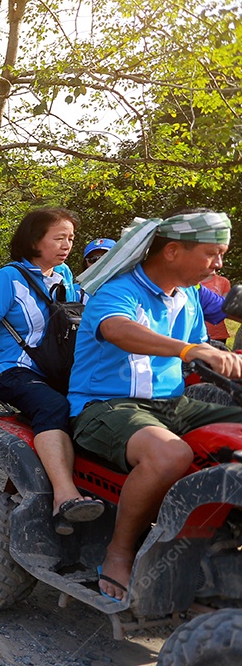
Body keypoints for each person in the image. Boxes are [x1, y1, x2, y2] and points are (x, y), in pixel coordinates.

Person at [69, 210, 242, 601]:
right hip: (105, 406)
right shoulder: (118, 289)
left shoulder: (190, 295)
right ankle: (119, 552)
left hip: (171, 404)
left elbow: (203, 352)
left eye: (222, 254)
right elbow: (118, 329)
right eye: (213, 253)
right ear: (173, 251)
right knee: (169, 456)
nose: (219, 264)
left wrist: (221, 358)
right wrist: (187, 349)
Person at [0, 208, 104, 535]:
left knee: (98, 405)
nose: (67, 245)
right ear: (34, 240)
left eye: (71, 238)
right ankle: (63, 496)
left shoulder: (65, 276)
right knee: (53, 407)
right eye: (59, 238)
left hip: (53, 370)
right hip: (10, 369)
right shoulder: (8, 277)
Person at [199, 271, 232, 342]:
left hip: (218, 333)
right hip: (197, 335)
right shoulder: (191, 284)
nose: (218, 263)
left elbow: (223, 307)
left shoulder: (223, 282)